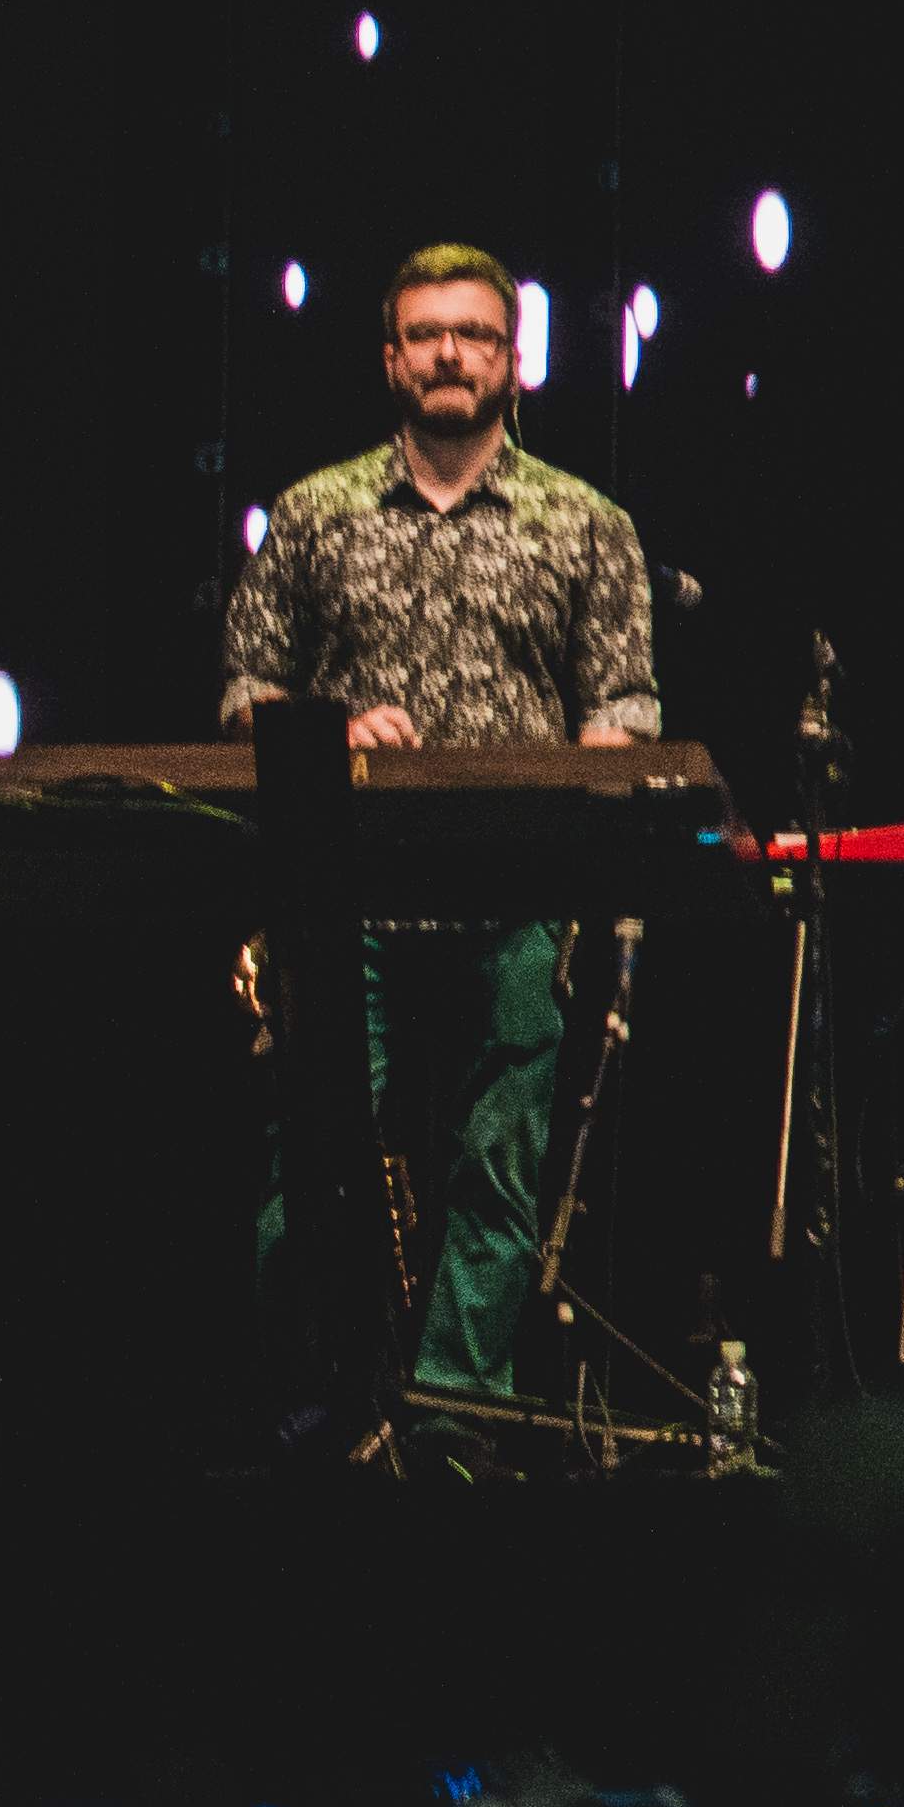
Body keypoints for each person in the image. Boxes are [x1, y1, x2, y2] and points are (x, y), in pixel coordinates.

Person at [214, 245, 662, 1441]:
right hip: (338, 895)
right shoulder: (315, 514)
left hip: (514, 895)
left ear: (515, 362)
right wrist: (329, 729)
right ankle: (320, 1407)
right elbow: (244, 690)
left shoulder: (588, 524)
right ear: (390, 360)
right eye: (425, 335)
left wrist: (576, 781)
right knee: (309, 1175)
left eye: (474, 334)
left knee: (499, 1171)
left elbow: (625, 708)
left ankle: (458, 1420)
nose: (450, 353)